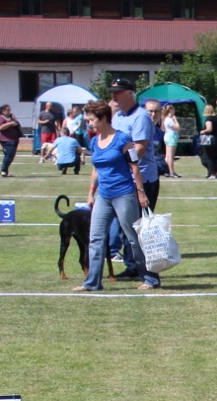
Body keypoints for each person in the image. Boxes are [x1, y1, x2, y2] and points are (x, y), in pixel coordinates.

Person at [74, 100, 150, 292]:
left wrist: (140, 192)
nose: (89, 123)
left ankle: (150, 278)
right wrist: (91, 192)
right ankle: (92, 283)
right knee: (95, 238)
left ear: (103, 118)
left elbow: (134, 166)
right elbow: (96, 169)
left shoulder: (123, 139)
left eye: (91, 120)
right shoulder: (94, 141)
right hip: (103, 196)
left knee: (133, 238)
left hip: (124, 194)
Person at [110, 78, 160, 288]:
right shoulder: (117, 117)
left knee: (140, 228)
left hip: (143, 178)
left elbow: (138, 150)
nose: (114, 96)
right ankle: (132, 267)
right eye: (112, 92)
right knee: (125, 227)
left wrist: (115, 161)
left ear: (130, 93)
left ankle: (149, 273)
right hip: (122, 178)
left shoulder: (141, 117)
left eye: (118, 92)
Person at [0, 104, 22, 177]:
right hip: (6, 139)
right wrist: (10, 124)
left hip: (14, 138)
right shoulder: (0, 118)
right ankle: (3, 170)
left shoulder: (11, 117)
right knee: (9, 155)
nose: (10, 111)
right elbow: (0, 127)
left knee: (10, 155)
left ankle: (5, 171)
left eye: (10, 110)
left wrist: (15, 120)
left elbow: (19, 126)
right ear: (3, 110)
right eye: (8, 110)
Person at [199, 105, 217, 179]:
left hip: (210, 141)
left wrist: (203, 131)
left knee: (208, 158)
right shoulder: (216, 119)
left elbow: (209, 129)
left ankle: (212, 173)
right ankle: (215, 172)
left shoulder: (209, 119)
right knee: (213, 157)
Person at [161, 105, 181, 177]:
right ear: (171, 110)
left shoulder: (165, 119)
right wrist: (175, 119)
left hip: (168, 136)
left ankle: (166, 171)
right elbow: (178, 127)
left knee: (167, 156)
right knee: (171, 156)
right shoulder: (169, 120)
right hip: (171, 137)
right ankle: (171, 172)